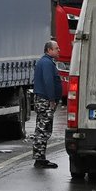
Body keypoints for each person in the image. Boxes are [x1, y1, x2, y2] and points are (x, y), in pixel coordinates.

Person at [32, 39, 63, 168]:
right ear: (49, 50)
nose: (59, 50)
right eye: (56, 48)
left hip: (44, 99)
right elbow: (48, 81)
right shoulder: (46, 63)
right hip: (45, 100)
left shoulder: (47, 62)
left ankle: (40, 157)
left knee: (43, 128)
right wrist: (52, 99)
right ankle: (39, 159)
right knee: (43, 129)